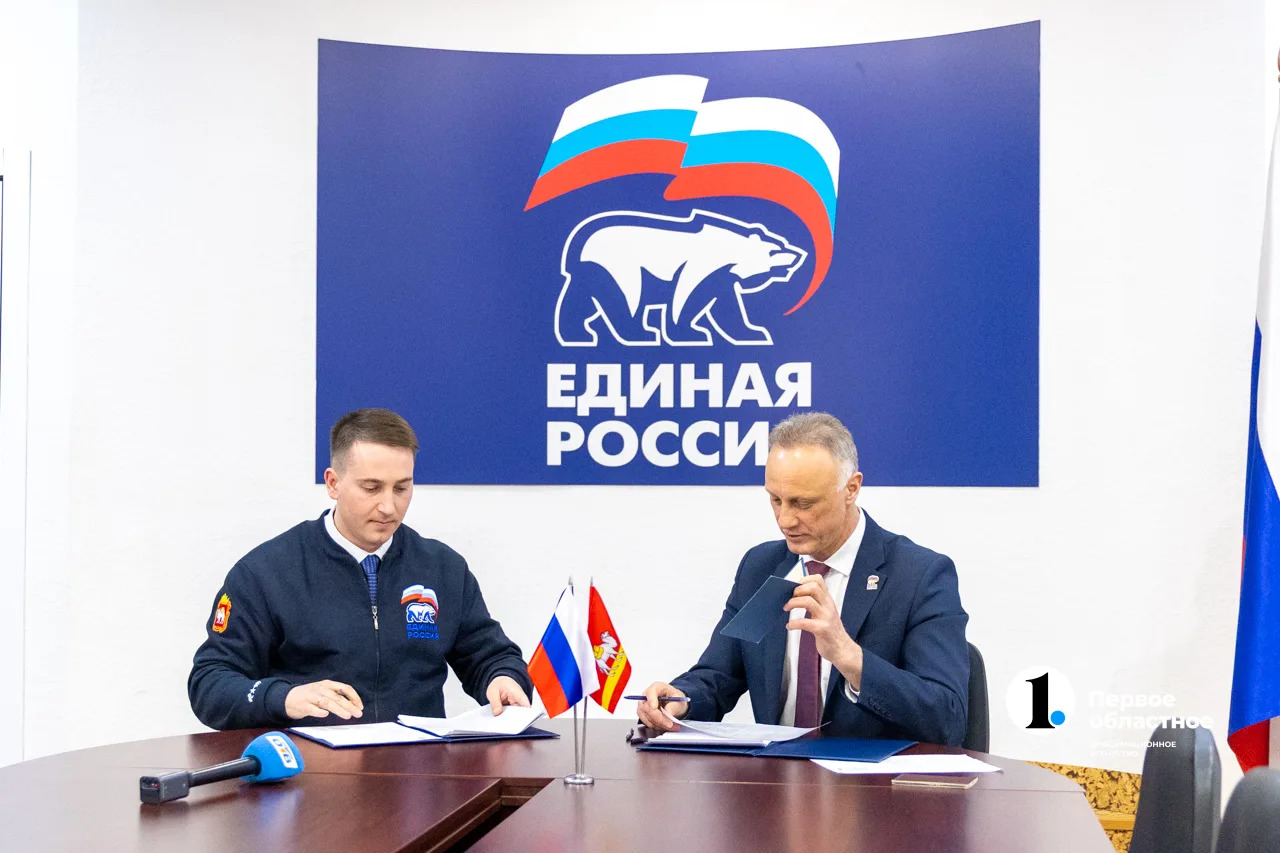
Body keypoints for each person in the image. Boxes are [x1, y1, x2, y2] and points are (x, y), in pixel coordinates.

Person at [636, 412, 969, 745]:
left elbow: (948, 718)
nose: (785, 520)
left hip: (871, 776)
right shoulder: (761, 567)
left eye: (803, 503)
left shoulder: (918, 576)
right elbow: (718, 676)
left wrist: (850, 658)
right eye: (775, 499)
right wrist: (680, 699)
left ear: (851, 489)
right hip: (775, 772)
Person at [189, 408, 532, 730]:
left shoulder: (443, 569)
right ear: (333, 483)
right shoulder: (265, 573)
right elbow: (210, 683)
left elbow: (491, 656)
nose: (388, 506)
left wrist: (502, 678)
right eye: (371, 488)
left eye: (402, 488)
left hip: (419, 766)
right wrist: (284, 697)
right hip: (311, 767)